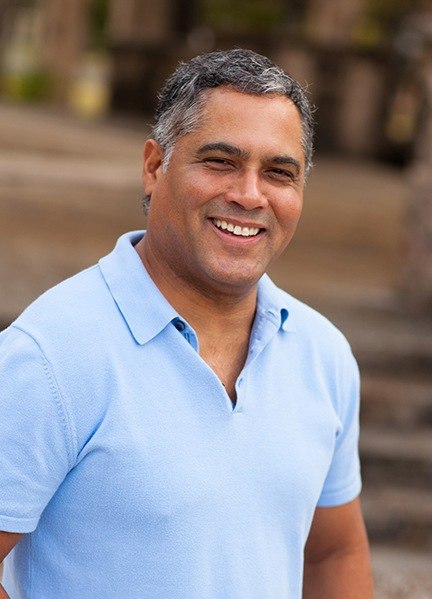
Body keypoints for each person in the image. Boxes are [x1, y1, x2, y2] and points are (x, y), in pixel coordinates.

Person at [0, 49, 374, 598]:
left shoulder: (323, 354)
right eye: (220, 161)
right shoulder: (50, 356)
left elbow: (333, 551)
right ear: (155, 168)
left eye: (278, 172)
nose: (249, 195)